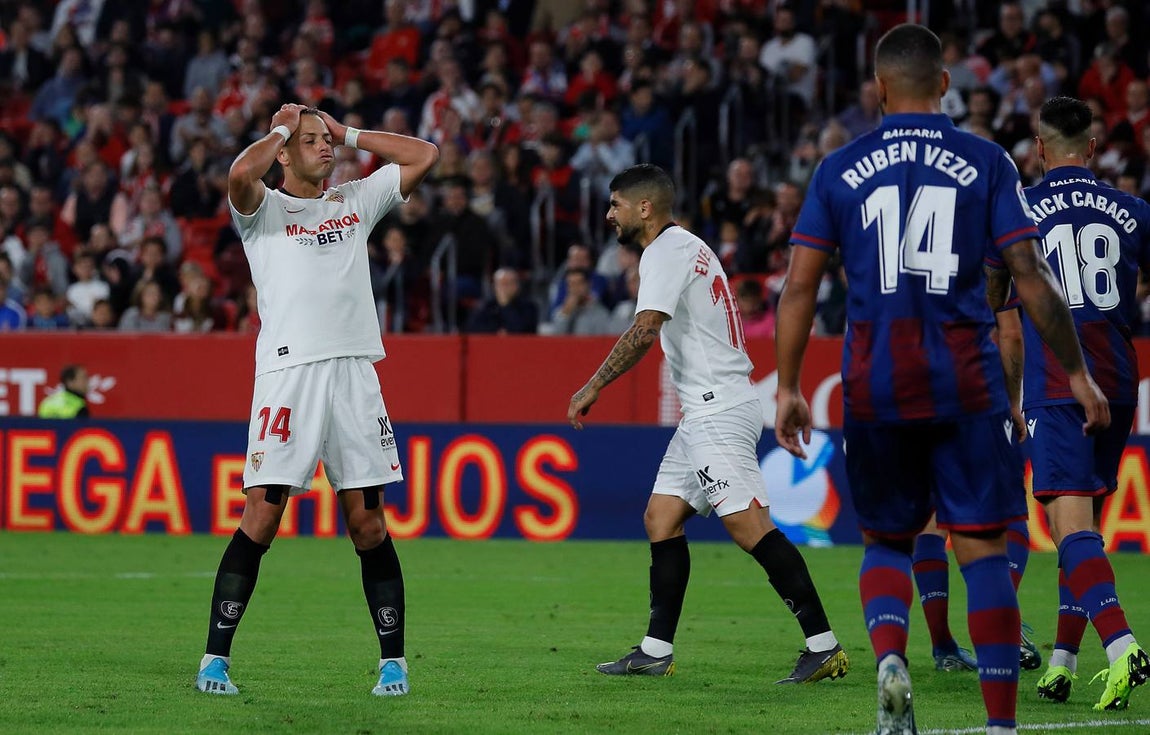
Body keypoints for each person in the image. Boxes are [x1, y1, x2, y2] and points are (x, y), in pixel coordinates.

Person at [774, 25, 1108, 735]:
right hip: (965, 375)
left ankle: (892, 660)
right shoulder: (987, 161)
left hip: (875, 377)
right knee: (983, 547)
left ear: (879, 87)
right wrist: (1076, 372)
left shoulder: (838, 167)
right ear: (945, 85)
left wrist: (787, 385)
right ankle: (999, 726)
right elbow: (1030, 276)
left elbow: (799, 287)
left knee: (887, 542)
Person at [567, 164, 849, 685]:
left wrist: (593, 385)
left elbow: (645, 328)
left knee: (749, 527)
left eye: (615, 205)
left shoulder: (664, 252)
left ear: (644, 207)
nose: (610, 215)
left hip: (717, 409)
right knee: (661, 517)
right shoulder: (691, 246)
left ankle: (823, 644)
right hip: (708, 408)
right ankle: (654, 650)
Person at [193, 104, 438, 698]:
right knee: (262, 514)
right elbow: (237, 176)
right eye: (312, 141)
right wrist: (283, 125)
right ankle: (214, 662)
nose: (325, 148)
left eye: (327, 140)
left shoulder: (353, 201)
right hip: (288, 375)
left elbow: (425, 154)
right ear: (283, 151)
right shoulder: (265, 212)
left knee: (369, 523)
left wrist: (348, 130)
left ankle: (393, 664)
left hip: (354, 373)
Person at [1022, 96, 1150, 710]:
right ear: (1093, 148)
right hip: (1119, 380)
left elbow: (996, 304)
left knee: (1068, 528)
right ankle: (1063, 662)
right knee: (1083, 529)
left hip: (1057, 383)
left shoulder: (1018, 210)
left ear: (1039, 147)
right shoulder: (1133, 209)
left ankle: (1123, 647)